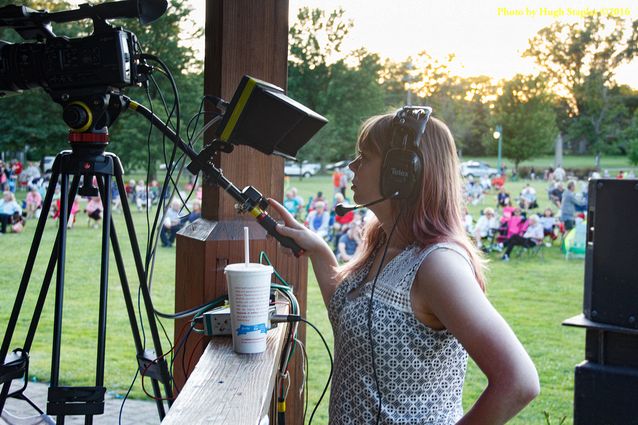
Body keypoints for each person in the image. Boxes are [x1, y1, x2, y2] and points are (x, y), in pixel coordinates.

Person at [268, 111, 538, 423]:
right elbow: (350, 316)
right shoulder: (383, 245)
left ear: (401, 174)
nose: (352, 166)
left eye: (364, 157)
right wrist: (319, 250)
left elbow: (519, 382)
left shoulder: (439, 264)